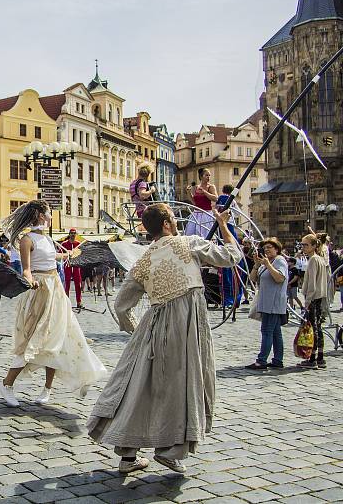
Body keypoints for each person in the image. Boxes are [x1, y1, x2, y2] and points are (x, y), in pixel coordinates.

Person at [87, 203, 242, 475]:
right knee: (183, 385)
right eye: (173, 219)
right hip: (187, 324)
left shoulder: (144, 260)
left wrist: (136, 330)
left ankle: (128, 454)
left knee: (139, 387)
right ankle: (170, 451)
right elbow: (232, 256)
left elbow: (122, 305)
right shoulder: (189, 243)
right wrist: (224, 224)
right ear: (168, 224)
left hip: (153, 328)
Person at [0, 200, 106, 407]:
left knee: (59, 339)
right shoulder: (27, 240)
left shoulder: (47, 238)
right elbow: (26, 269)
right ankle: (7, 384)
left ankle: (47, 389)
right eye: (47, 212)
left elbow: (51, 256)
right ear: (39, 215)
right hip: (40, 291)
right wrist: (29, 279)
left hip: (56, 289)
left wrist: (67, 254)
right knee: (33, 341)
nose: (50, 215)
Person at [245, 237, 288, 370]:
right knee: (275, 332)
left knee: (267, 331)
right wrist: (257, 265)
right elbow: (252, 279)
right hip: (266, 302)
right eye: (265, 248)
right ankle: (277, 360)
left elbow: (280, 278)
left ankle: (261, 360)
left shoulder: (279, 261)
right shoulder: (267, 262)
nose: (266, 250)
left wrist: (268, 265)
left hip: (273, 302)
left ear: (277, 249)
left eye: (269, 247)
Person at [300, 234, 329, 369]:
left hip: (314, 297)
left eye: (306, 245)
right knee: (318, 328)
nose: (303, 247)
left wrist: (307, 301)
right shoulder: (321, 259)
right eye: (302, 245)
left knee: (314, 329)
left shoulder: (313, 260)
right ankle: (320, 358)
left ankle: (313, 359)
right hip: (320, 297)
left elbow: (312, 284)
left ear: (313, 246)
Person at [184, 168, 218, 238]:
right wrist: (189, 192)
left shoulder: (211, 187)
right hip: (196, 214)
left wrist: (205, 192)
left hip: (206, 214)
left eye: (209, 175)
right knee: (190, 234)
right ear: (201, 176)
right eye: (206, 175)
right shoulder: (197, 187)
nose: (208, 177)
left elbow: (215, 198)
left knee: (204, 236)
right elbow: (194, 202)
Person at [60, 229, 83, 308]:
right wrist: (67, 254)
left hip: (76, 266)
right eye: (71, 233)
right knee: (67, 284)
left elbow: (81, 254)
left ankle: (79, 302)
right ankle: (66, 301)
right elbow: (60, 255)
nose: (73, 235)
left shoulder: (78, 244)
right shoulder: (64, 244)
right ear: (69, 234)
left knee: (78, 284)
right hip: (67, 266)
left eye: (74, 233)